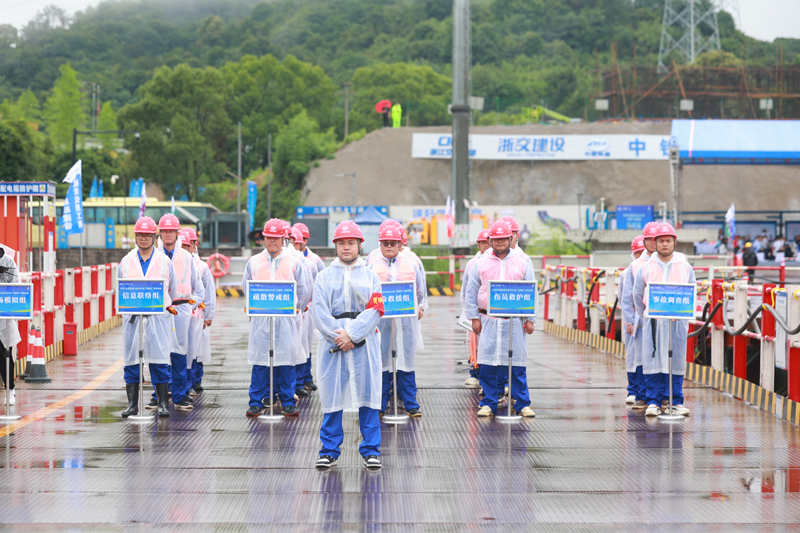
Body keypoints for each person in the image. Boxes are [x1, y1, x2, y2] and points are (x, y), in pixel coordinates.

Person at [313, 221, 385, 470]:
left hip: (364, 342)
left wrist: (352, 335)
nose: (346, 248)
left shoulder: (371, 276)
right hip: (333, 344)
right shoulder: (323, 277)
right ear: (335, 245)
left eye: (351, 243)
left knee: (368, 395)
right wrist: (339, 336)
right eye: (342, 243)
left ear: (359, 245)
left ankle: (371, 450)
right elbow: (319, 312)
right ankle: (329, 450)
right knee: (333, 395)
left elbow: (376, 309)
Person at [465, 221, 536, 417]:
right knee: (488, 363)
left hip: (514, 321)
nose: (500, 242)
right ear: (490, 241)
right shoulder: (481, 263)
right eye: (496, 239)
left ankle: (522, 403)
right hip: (489, 320)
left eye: (504, 238)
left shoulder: (523, 261)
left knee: (517, 364)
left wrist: (530, 318)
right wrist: (473, 317)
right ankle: (489, 403)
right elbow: (471, 292)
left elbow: (531, 289)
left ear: (510, 238)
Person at [242, 219, 312, 418]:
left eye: (276, 238)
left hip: (286, 320)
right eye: (268, 237)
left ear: (284, 239)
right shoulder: (253, 262)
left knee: (286, 361)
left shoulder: (294, 262)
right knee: (260, 361)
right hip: (261, 320)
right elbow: (246, 286)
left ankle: (288, 401)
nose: (272, 241)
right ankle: (256, 402)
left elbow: (304, 289)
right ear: (264, 238)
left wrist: (294, 310)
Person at [633, 223, 695, 418]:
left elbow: (692, 292)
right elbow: (637, 295)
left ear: (675, 242)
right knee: (652, 359)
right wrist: (647, 314)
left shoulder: (685, 267)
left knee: (675, 360)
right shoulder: (646, 268)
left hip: (677, 323)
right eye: (661, 241)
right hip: (654, 322)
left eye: (668, 241)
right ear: (654, 243)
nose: (665, 245)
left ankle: (675, 401)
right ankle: (652, 401)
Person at [117, 217, 177, 418]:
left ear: (154, 237)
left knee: (159, 360)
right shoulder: (126, 261)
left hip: (157, 319)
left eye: (147, 235)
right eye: (140, 235)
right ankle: (133, 405)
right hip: (133, 320)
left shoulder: (164, 261)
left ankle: (161, 403)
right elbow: (120, 289)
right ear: (135, 236)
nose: (144, 239)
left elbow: (172, 290)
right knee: (132, 361)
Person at [369, 223, 427, 418]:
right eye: (385, 243)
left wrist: (420, 307)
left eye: (393, 243)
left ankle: (411, 404)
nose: (389, 246)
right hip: (381, 323)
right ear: (380, 244)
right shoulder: (373, 264)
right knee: (382, 362)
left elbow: (420, 290)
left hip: (405, 323)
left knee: (405, 362)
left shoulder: (411, 263)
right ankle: (379, 404)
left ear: (401, 244)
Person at [148, 214, 203, 411]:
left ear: (178, 233)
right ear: (159, 233)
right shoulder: (153, 256)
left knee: (180, 352)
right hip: (160, 309)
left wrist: (188, 305)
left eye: (172, 231)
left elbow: (199, 289)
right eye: (164, 231)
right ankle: (158, 394)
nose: (168, 234)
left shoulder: (187, 258)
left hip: (180, 309)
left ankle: (180, 395)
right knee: (158, 351)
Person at [621, 222, 658, 409]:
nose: (654, 242)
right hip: (640, 317)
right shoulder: (635, 266)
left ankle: (662, 397)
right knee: (641, 356)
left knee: (660, 355)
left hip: (662, 317)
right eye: (650, 239)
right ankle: (641, 394)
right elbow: (627, 296)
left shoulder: (671, 263)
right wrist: (629, 320)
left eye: (656, 239)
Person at [180, 227, 215, 395]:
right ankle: (181, 384)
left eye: (188, 245)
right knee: (181, 350)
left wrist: (209, 316)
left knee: (195, 349)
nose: (185, 249)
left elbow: (208, 292)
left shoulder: (201, 266)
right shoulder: (173, 262)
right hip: (179, 312)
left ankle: (194, 381)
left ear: (195, 244)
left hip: (196, 314)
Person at [293, 222, 324, 391]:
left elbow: (320, 284)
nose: (300, 241)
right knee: (297, 343)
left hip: (309, 307)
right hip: (295, 308)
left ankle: (306, 376)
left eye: (303, 238)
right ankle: (296, 381)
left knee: (307, 342)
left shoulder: (314, 260)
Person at [619, 235, 647, 409]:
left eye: (640, 252)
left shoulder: (653, 269)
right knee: (633, 354)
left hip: (647, 315)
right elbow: (622, 296)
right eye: (636, 253)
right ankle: (633, 390)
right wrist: (629, 318)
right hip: (633, 318)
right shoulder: (628, 271)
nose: (639, 256)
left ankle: (644, 392)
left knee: (647, 355)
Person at [461, 229, 490, 387]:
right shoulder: (472, 264)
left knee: (492, 346)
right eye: (483, 242)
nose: (486, 245)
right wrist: (468, 312)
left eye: (488, 242)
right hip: (476, 313)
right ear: (478, 244)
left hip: (492, 314)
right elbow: (466, 290)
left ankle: (496, 382)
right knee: (474, 345)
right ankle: (475, 373)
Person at [0, 242, 21, 406]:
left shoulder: (8, 261)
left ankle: (10, 389)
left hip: (4, 316)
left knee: (5, 355)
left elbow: (17, 285)